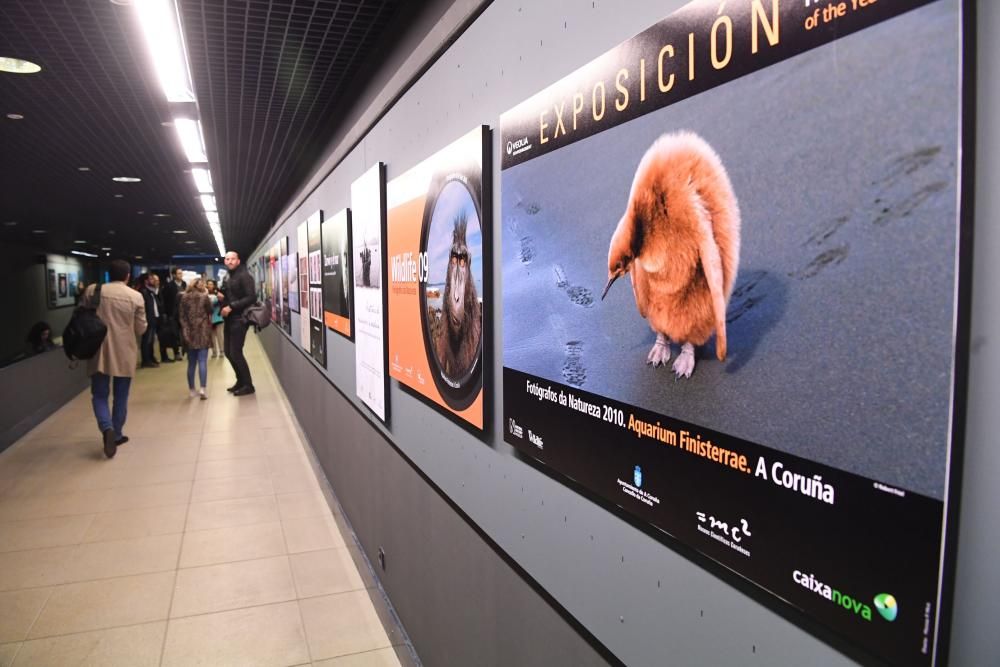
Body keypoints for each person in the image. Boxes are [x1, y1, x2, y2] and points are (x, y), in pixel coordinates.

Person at [83, 259, 147, 459]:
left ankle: (106, 427)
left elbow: (82, 315)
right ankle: (117, 433)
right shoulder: (135, 296)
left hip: (97, 350)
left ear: (109, 274)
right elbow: (141, 328)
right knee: (121, 395)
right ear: (128, 276)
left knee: (100, 394)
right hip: (123, 351)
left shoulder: (93, 290)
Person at [219, 251, 256, 395]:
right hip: (229, 319)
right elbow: (231, 295)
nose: (230, 261)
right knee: (228, 352)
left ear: (238, 261)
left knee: (236, 353)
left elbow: (251, 297)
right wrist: (223, 298)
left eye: (233, 259)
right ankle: (240, 381)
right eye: (227, 259)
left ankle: (248, 385)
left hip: (240, 319)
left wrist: (231, 306)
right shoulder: (228, 276)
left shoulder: (244, 276)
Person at [178, 278, 213, 399]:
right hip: (203, 331)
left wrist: (185, 330)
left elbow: (181, 316)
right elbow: (211, 310)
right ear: (199, 286)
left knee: (191, 363)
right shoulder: (204, 297)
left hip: (189, 333)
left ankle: (192, 390)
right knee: (202, 361)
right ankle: (203, 389)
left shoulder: (184, 297)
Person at [160, 267, 186, 362]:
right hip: (172, 313)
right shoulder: (169, 286)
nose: (181, 275)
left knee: (183, 332)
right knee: (174, 333)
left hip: (183, 312)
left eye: (181, 273)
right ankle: (176, 352)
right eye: (179, 273)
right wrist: (167, 313)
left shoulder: (184, 284)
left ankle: (184, 350)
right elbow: (165, 300)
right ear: (174, 275)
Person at [138, 273, 161, 367]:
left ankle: (151, 357)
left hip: (153, 318)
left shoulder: (151, 291)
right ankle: (146, 360)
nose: (154, 281)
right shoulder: (144, 292)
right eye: (151, 279)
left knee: (151, 340)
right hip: (148, 319)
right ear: (146, 281)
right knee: (147, 340)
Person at [206, 279, 225, 358]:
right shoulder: (204, 294)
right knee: (212, 336)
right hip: (209, 318)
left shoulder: (218, 293)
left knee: (220, 335)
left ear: (214, 285)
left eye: (211, 284)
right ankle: (214, 352)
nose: (210, 285)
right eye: (208, 284)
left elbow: (222, 302)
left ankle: (222, 351)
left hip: (218, 317)